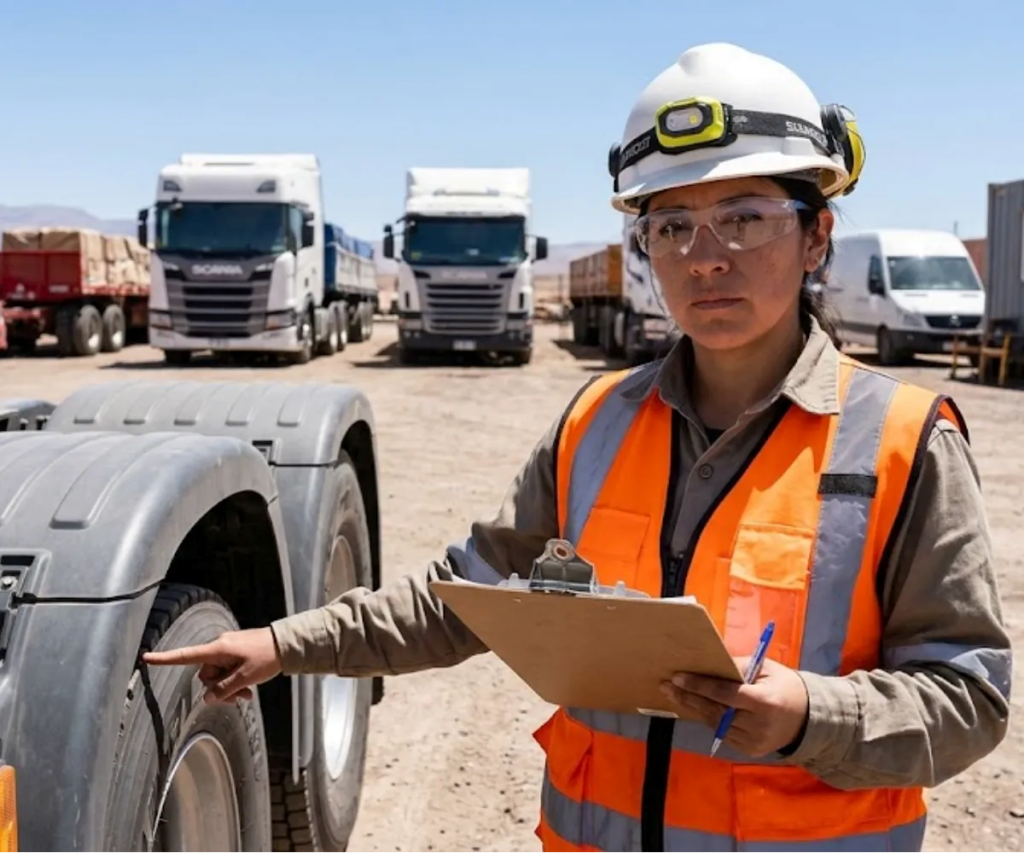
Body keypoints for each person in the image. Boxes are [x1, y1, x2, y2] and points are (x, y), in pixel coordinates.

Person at [144, 42, 1012, 852]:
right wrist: (282, 643)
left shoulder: (904, 441)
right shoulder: (595, 424)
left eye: (745, 218)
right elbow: (464, 598)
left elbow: (970, 697)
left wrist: (809, 715)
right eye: (672, 226)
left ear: (816, 235)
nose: (706, 259)